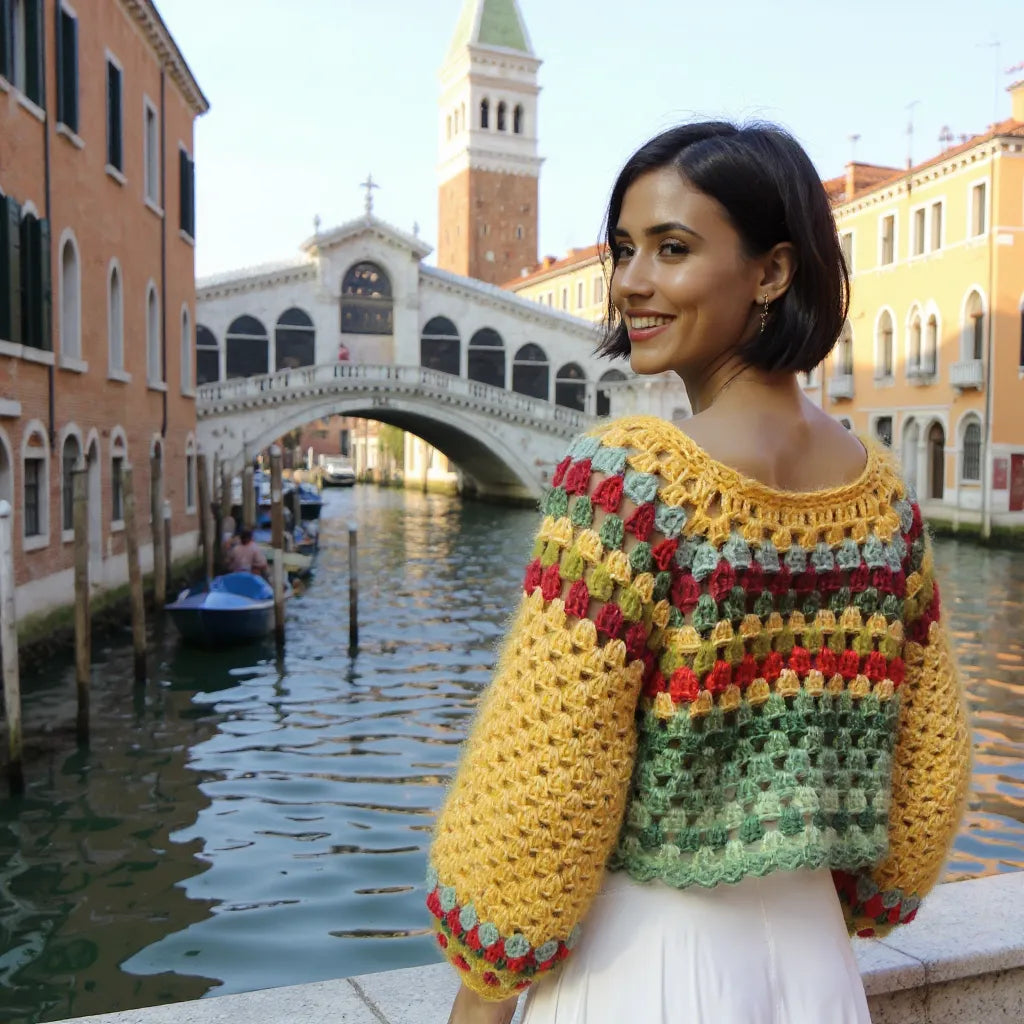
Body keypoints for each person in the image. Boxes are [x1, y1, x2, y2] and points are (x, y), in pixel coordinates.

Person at [430, 121, 972, 1024]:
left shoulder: (629, 481)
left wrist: (484, 995)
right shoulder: (881, 498)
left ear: (772, 272)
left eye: (671, 249)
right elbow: (931, 765)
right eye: (623, 249)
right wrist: (864, 901)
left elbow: (548, 778)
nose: (631, 282)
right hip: (813, 965)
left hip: (643, 965)